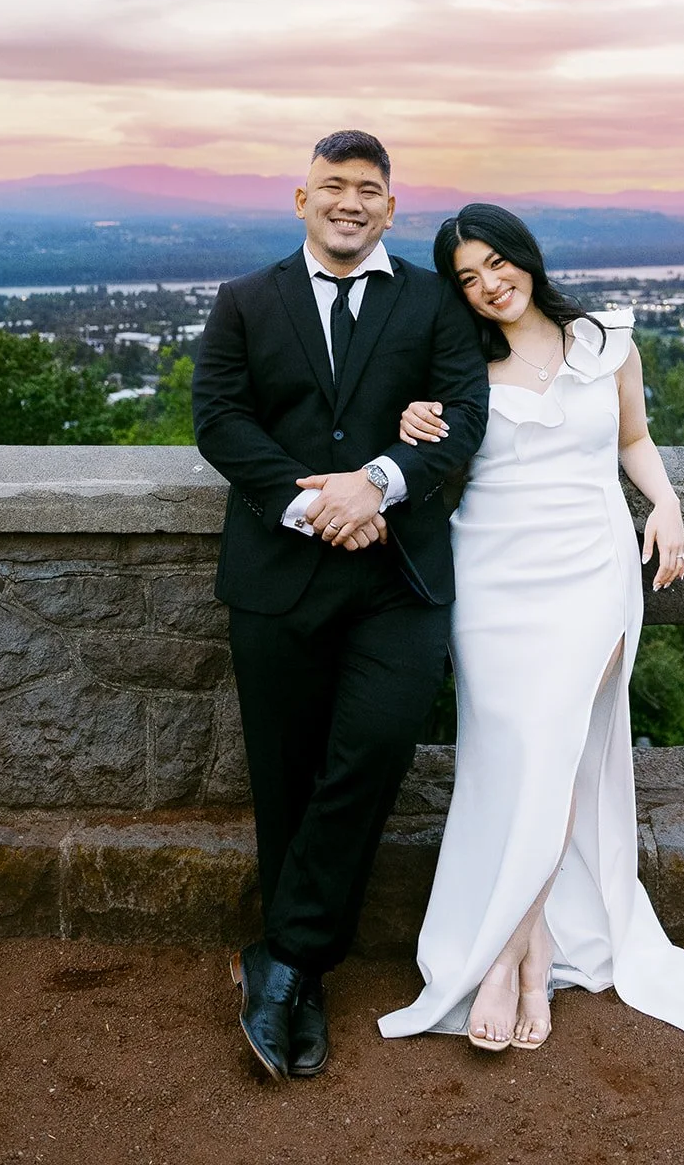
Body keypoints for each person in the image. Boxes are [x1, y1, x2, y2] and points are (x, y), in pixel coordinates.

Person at [379, 204, 684, 1050]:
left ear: (524, 256)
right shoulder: (453, 364)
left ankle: (508, 959)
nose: (488, 286)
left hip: (592, 573)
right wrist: (407, 423)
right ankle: (538, 939)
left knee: (558, 753)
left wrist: (666, 504)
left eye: (495, 265)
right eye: (467, 279)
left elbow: (635, 438)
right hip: (490, 581)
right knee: (514, 758)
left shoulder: (607, 343)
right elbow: (421, 456)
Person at [192, 133, 489, 1080]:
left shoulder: (435, 302)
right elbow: (220, 420)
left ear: (392, 209)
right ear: (300, 198)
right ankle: (299, 978)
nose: (351, 202)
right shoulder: (244, 302)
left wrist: (381, 482)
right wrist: (314, 503)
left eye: (370, 190)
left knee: (370, 752)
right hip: (278, 577)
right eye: (333, 187)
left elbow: (465, 416)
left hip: (396, 580)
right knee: (285, 778)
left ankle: (282, 956)